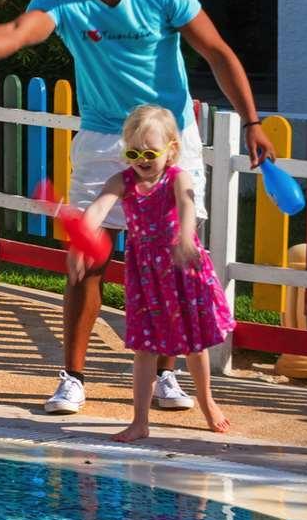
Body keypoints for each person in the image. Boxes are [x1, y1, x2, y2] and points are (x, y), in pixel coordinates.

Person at [0, 0, 275, 416]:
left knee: (172, 260)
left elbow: (217, 52)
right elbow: (20, 32)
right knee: (87, 262)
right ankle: (72, 377)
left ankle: (167, 376)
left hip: (167, 137)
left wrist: (251, 120)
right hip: (103, 139)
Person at [73, 104, 235, 439]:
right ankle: (140, 421)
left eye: (150, 152)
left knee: (194, 344)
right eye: (133, 152)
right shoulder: (123, 180)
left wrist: (186, 237)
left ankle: (207, 402)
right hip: (146, 277)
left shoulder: (178, 177)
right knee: (144, 348)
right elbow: (99, 207)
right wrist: (81, 241)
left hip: (181, 270)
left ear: (172, 149)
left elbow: (188, 205)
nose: (142, 159)